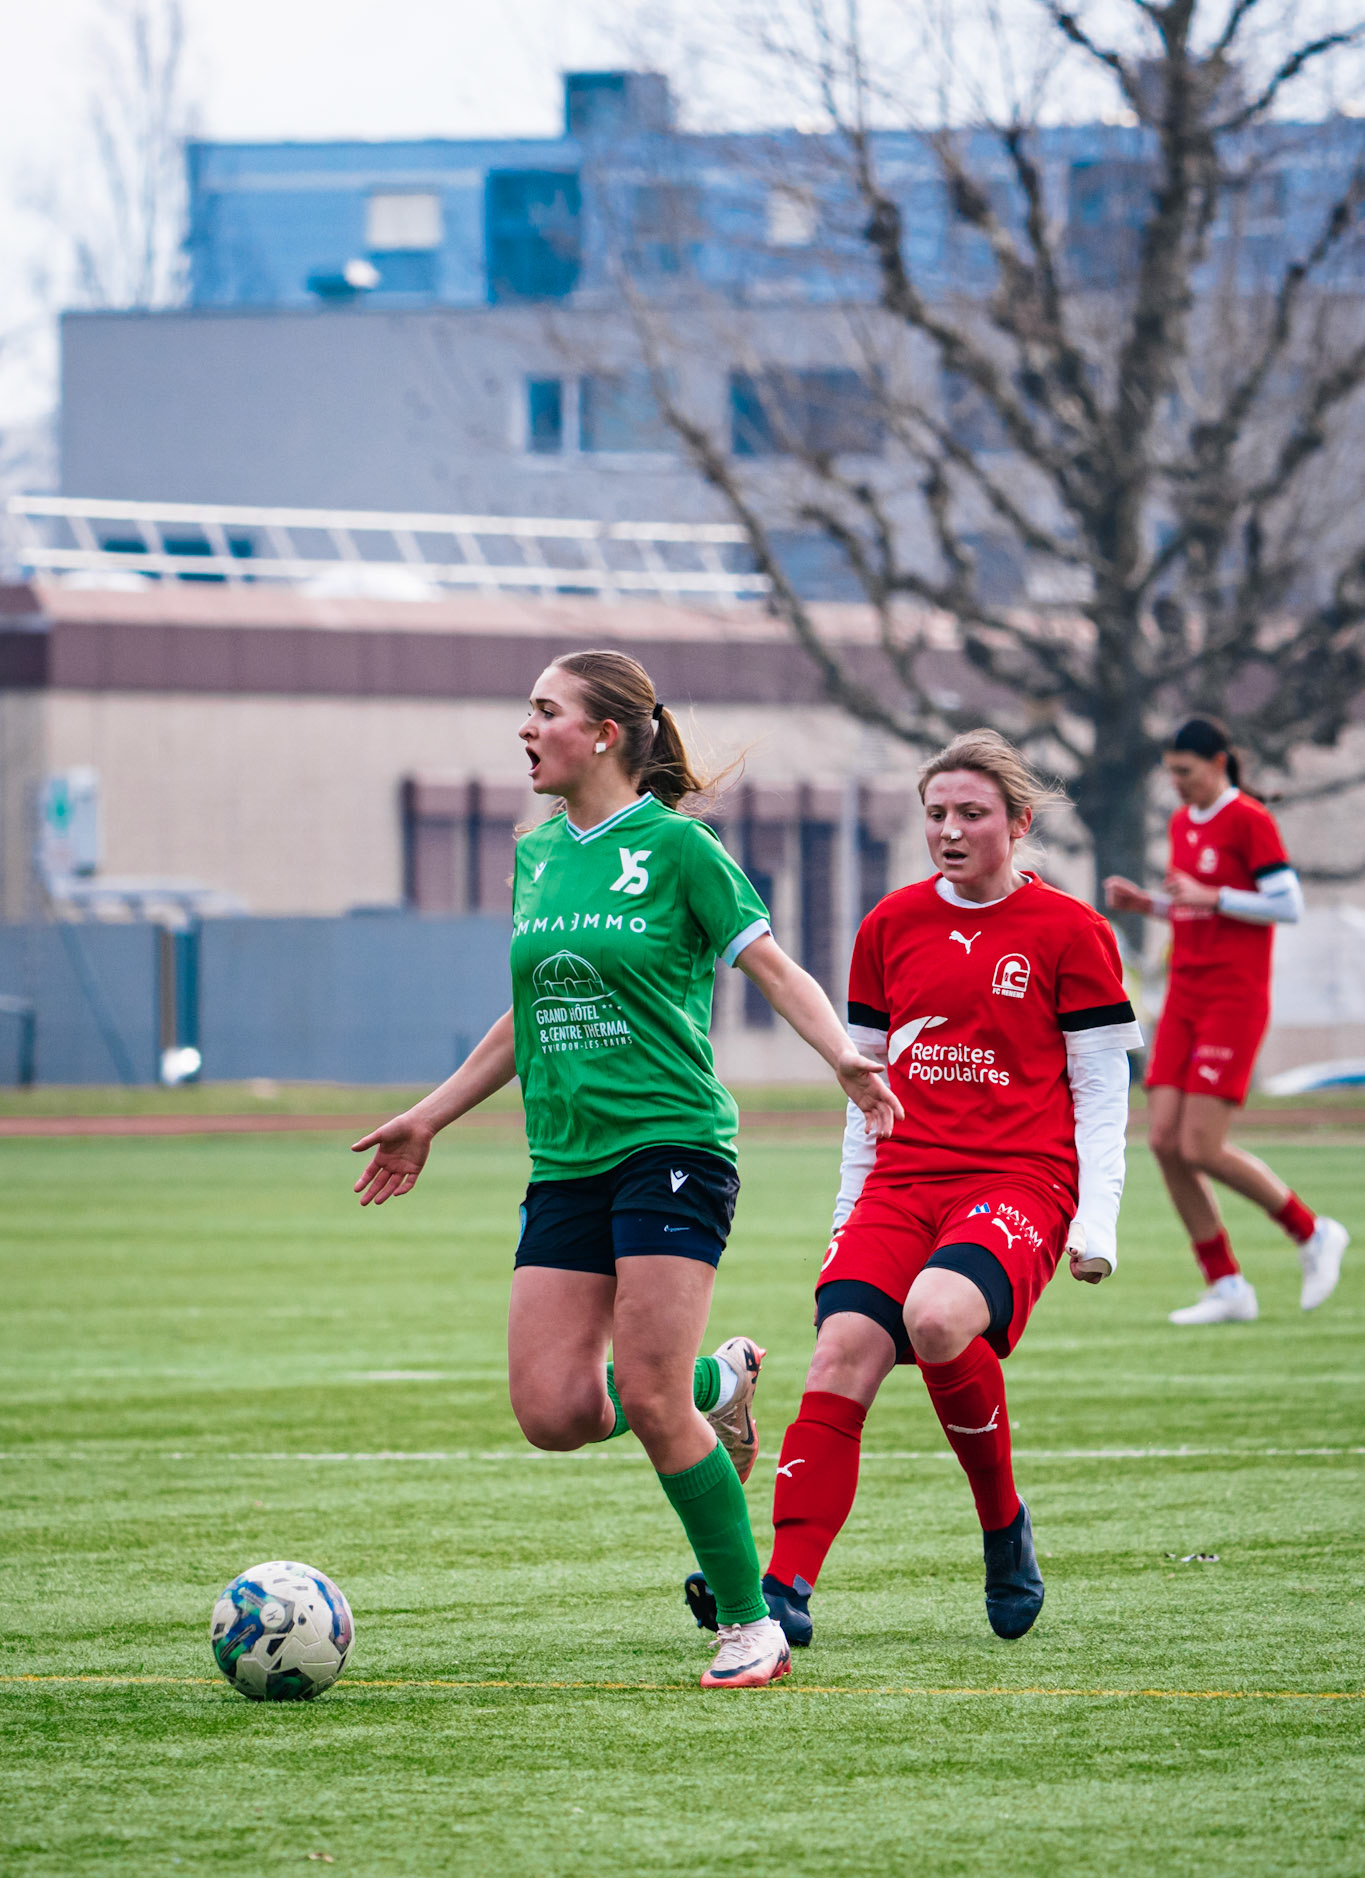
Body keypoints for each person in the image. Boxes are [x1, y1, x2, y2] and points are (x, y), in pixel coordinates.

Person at [351, 648, 900, 1690]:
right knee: (552, 1412)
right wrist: (428, 1117)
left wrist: (841, 1055)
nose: (525, 729)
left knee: (645, 1397)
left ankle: (751, 1625)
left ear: (603, 734)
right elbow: (531, 1008)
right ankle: (717, 1382)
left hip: (672, 1146)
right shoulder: (537, 856)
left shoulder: (679, 849)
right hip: (565, 1160)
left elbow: (772, 966)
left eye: (544, 710)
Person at [686, 729, 1142, 1650]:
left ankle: (1002, 1525)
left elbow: (1100, 1090)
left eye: (971, 813)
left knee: (935, 1319)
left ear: (1018, 823)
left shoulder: (1072, 932)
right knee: (839, 1353)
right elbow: (866, 1091)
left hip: (1019, 1180)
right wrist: (847, 1211)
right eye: (936, 814)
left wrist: (1096, 1222)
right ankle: (783, 1586)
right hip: (900, 1182)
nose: (949, 830)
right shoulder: (888, 926)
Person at [1105, 716, 1348, 1324]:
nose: (1177, 784)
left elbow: (1287, 904)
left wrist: (1213, 896)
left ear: (1218, 763)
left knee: (1201, 1145)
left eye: (1185, 772)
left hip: (1232, 1000)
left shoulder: (1249, 820)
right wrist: (1149, 905)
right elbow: (1195, 909)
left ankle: (1313, 1232)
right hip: (1184, 996)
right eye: (1171, 773)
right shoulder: (1182, 821)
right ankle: (1227, 1284)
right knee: (1164, 1142)